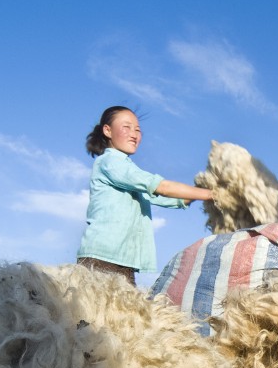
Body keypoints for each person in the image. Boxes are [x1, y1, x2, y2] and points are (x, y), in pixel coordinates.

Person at [77, 106, 213, 286]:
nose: (134, 134)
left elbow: (172, 198)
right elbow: (162, 187)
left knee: (122, 314)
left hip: (125, 263)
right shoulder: (110, 162)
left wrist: (204, 186)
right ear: (107, 130)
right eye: (126, 127)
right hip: (101, 260)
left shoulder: (128, 170)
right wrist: (214, 194)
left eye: (138, 130)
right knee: (91, 314)